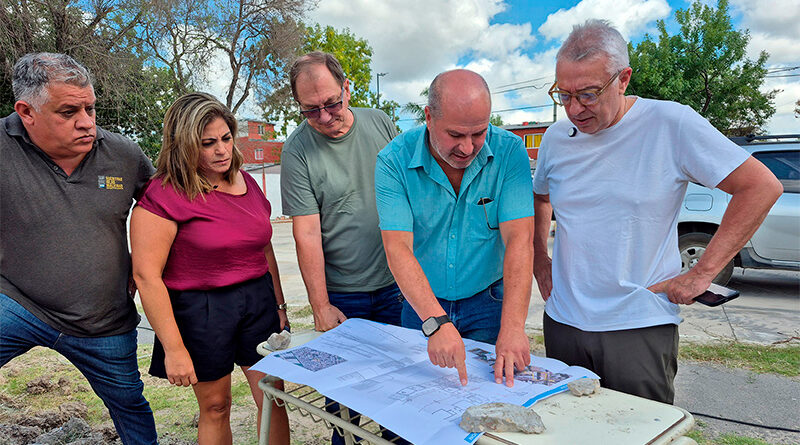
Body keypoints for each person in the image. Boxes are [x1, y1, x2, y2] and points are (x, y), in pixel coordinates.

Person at [532, 19, 783, 404]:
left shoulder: (671, 123)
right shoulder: (555, 137)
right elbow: (541, 196)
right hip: (564, 320)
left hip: (638, 324)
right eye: (563, 95)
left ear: (624, 78)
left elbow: (760, 187)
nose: (574, 109)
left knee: (641, 430)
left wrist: (702, 272)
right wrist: (539, 257)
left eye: (587, 94)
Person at [0, 53, 158, 444]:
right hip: (17, 303)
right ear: (26, 112)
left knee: (129, 404)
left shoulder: (123, 154)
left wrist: (148, 262)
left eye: (90, 107)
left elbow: (169, 214)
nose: (87, 122)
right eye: (69, 111)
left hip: (102, 319)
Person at [130, 92, 290, 445]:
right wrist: (174, 348)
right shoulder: (165, 193)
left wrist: (279, 306)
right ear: (184, 145)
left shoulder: (246, 183)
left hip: (257, 300)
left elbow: (264, 247)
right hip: (200, 309)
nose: (222, 150)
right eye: (208, 143)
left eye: (226, 139)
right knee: (216, 406)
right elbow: (146, 276)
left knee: (274, 398)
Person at [376, 69, 535, 387]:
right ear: (429, 117)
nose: (467, 148)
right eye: (455, 135)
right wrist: (435, 322)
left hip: (489, 302)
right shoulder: (393, 161)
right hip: (421, 304)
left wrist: (514, 326)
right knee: (419, 401)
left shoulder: (509, 152)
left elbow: (520, 239)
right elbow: (398, 248)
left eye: (479, 133)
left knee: (493, 402)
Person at [280, 51, 406, 445]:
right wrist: (319, 304)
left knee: (402, 396)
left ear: (347, 88)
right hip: (342, 296)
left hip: (397, 286)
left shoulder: (381, 123)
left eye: (331, 103)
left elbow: (409, 194)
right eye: (310, 110)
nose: (323, 117)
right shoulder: (296, 151)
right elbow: (306, 233)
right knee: (344, 408)